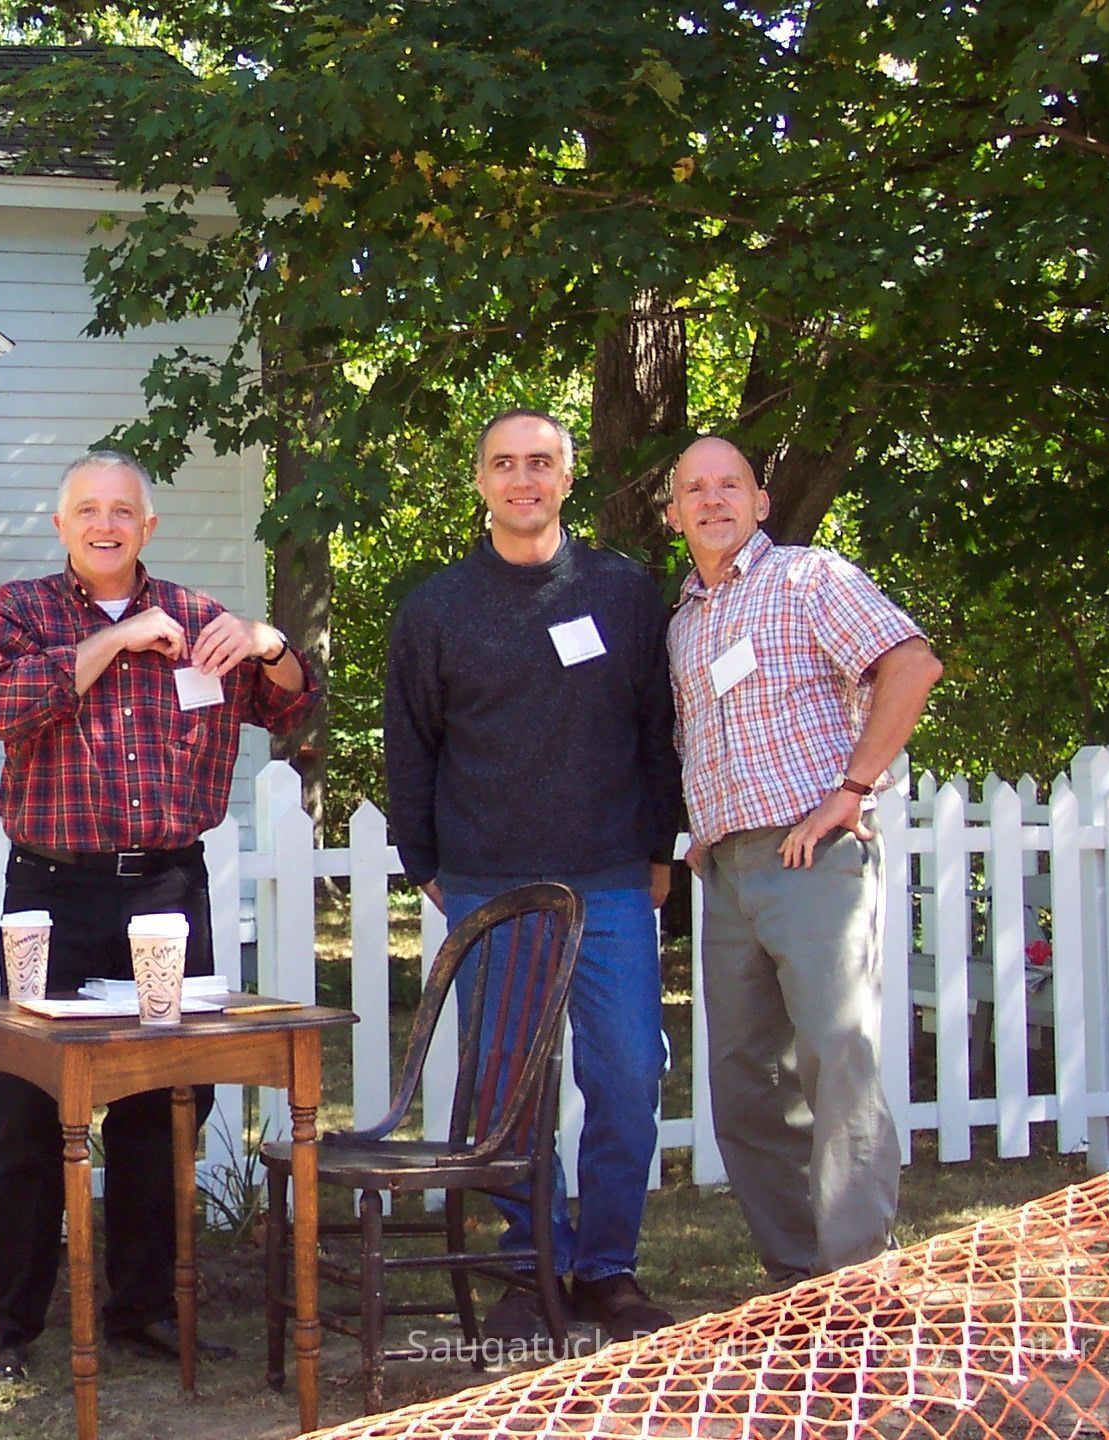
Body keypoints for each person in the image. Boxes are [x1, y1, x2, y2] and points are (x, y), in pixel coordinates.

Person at [0, 450, 319, 1379]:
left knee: (167, 1102)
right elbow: (9, 706)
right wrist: (120, 639)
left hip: (167, 892)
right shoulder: (17, 612)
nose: (105, 524)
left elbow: (296, 707)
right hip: (50, 894)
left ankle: (143, 1309)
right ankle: (13, 1324)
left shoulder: (203, 621)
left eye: (122, 510)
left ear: (148, 527)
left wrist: (268, 642)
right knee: (27, 1104)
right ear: (62, 525)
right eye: (87, 509)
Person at [383, 409, 684, 1343]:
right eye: (505, 464)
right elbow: (411, 744)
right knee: (506, 1085)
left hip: (610, 880)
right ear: (479, 481)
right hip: (490, 882)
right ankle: (532, 1261)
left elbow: (659, 729)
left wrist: (659, 851)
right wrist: (426, 863)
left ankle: (607, 1268)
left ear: (566, 478)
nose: (524, 479)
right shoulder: (436, 608)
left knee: (628, 1072)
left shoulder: (622, 592)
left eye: (541, 462)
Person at [664, 435, 942, 1282]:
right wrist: (704, 832)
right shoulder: (681, 624)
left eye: (730, 485)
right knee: (743, 1084)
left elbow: (912, 664)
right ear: (673, 514)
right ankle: (795, 1282)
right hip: (727, 871)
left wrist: (851, 790)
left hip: (811, 856)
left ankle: (857, 1278)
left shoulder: (807, 578)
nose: (713, 500)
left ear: (761, 502)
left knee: (835, 1060)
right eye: (694, 489)